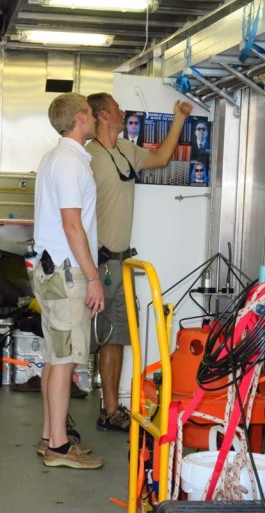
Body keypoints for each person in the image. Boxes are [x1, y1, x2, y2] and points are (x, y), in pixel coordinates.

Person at [85, 92, 193, 432]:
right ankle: (89, 411)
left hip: (121, 262)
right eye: (117, 108)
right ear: (103, 115)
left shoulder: (125, 150)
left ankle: (111, 408)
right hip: (97, 263)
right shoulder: (88, 157)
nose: (122, 111)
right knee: (97, 337)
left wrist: (179, 119)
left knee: (116, 336)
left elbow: (161, 158)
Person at [32, 92, 105, 469]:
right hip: (66, 274)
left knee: (53, 357)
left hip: (49, 271)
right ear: (79, 118)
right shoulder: (70, 163)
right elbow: (72, 223)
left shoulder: (54, 158)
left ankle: (50, 435)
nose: (95, 119)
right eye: (92, 114)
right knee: (64, 360)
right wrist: (92, 277)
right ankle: (60, 448)